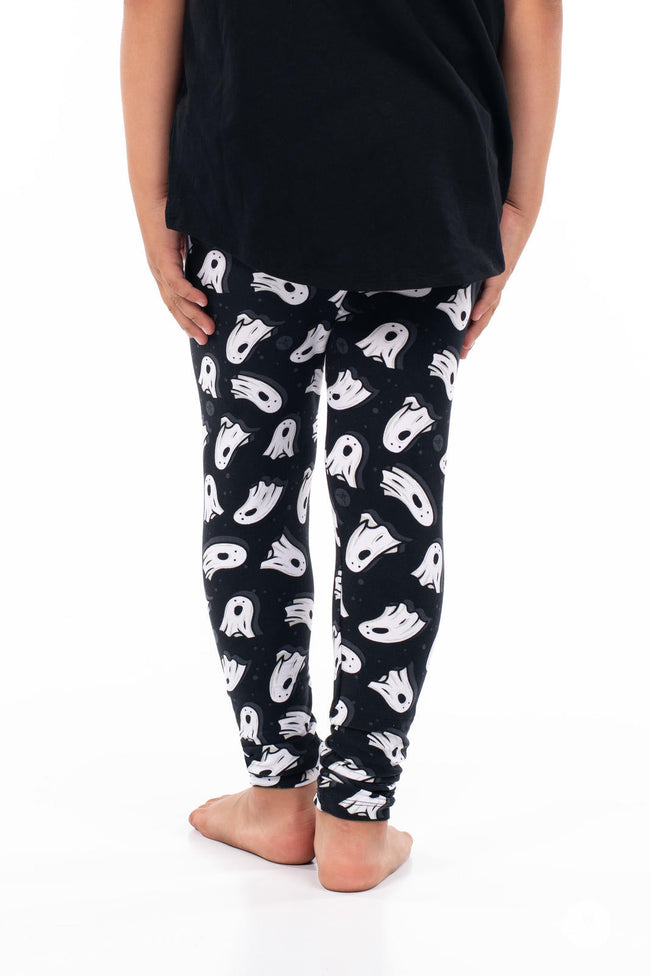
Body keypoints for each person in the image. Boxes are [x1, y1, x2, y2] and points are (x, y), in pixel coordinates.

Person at [120, 0, 562, 892]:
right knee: (393, 506)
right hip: (429, 185)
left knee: (250, 487)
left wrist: (150, 194)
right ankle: (359, 819)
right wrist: (519, 200)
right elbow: (537, 13)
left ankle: (279, 794)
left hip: (246, 181)